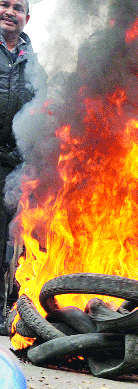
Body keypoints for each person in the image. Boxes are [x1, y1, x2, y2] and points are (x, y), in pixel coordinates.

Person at [0, 0, 47, 332]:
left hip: (16, 167)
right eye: (4, 4)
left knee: (10, 242)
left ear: (26, 18)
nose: (10, 12)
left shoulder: (35, 64)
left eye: (18, 8)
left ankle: (4, 312)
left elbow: (42, 115)